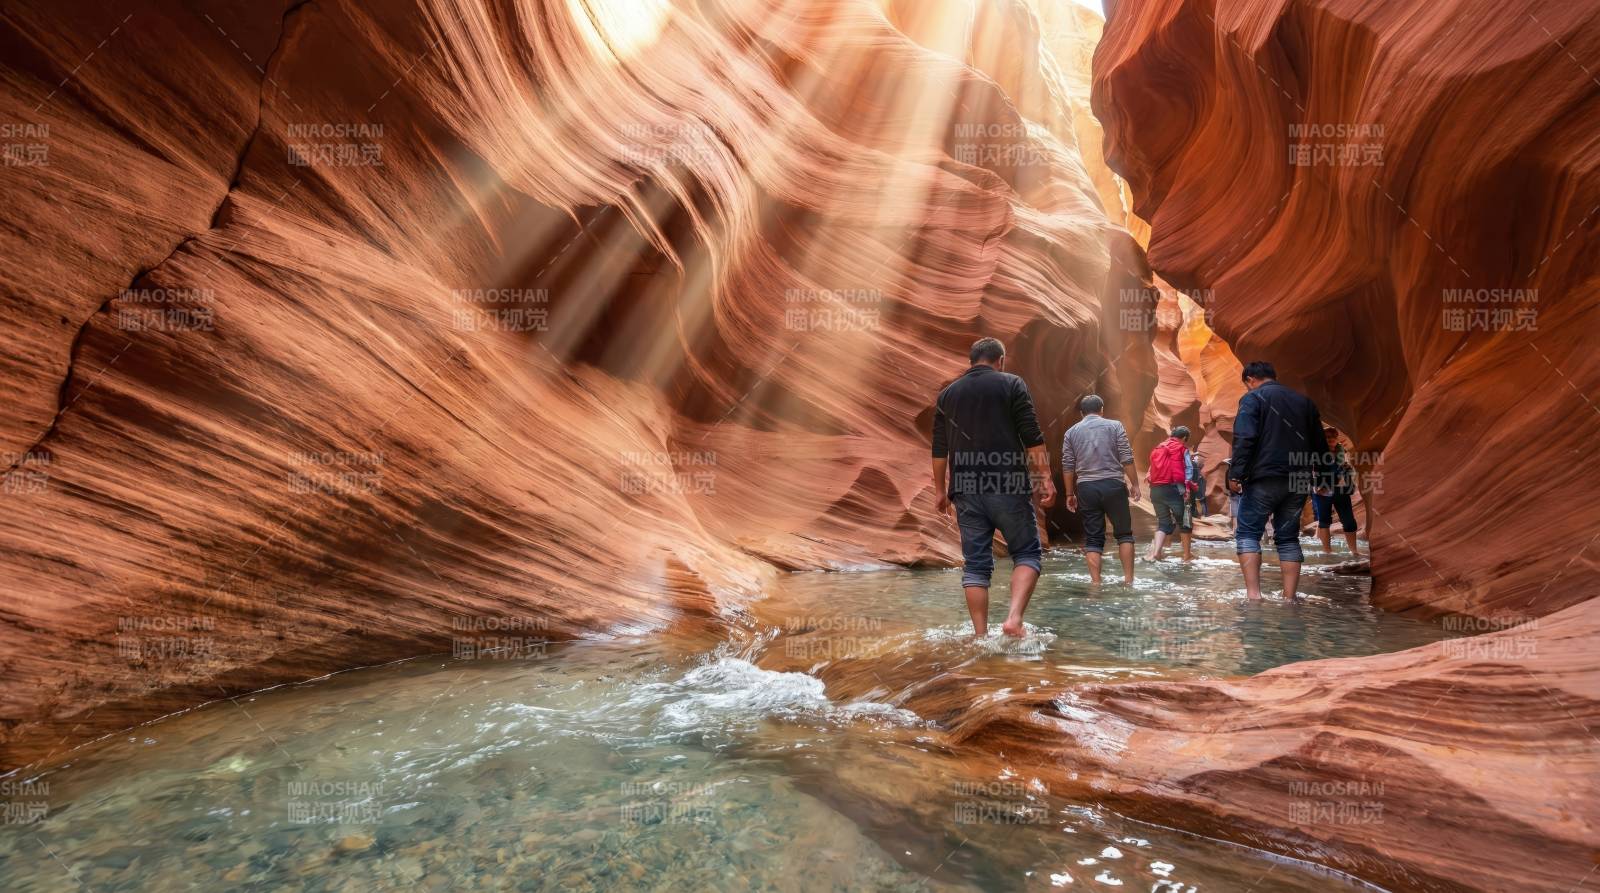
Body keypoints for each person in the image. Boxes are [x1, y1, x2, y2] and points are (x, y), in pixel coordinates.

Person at [931, 337, 1056, 637]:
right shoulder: (1012, 384)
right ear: (1001, 359)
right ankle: (1013, 619)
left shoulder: (947, 395)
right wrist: (1045, 478)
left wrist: (939, 490)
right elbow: (1032, 436)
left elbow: (939, 449)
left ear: (971, 361)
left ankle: (980, 635)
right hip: (1008, 483)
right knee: (1026, 552)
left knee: (975, 566)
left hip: (966, 488)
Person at [1226, 361, 1332, 599]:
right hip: (1298, 479)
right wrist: (1324, 476)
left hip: (1264, 477)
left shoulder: (1252, 399)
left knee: (1248, 533)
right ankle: (1289, 597)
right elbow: (1320, 444)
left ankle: (1254, 596)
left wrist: (1235, 473)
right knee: (1288, 537)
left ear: (1250, 379)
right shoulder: (1304, 402)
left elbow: (1245, 438)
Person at [1061, 395, 1141, 585]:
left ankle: (1096, 584)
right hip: (1113, 484)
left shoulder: (1071, 432)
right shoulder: (1115, 426)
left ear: (1081, 413)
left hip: (1086, 487)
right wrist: (1135, 484)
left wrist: (1069, 494)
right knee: (1124, 534)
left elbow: (1068, 465)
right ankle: (1128, 581)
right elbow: (1126, 457)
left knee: (1093, 539)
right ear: (1102, 409)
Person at [1145, 426, 1194, 561]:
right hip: (1174, 489)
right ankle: (1187, 555)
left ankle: (1156, 553)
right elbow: (1189, 470)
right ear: (1184, 438)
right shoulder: (1182, 449)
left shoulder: (1159, 447)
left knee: (1163, 523)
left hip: (1156, 489)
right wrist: (1187, 489)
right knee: (1184, 522)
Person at [1313, 425, 1361, 555]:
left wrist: (1347, 471)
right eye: (1327, 437)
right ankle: (1327, 552)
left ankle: (1354, 551)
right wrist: (1316, 487)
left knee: (1349, 521)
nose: (1330, 439)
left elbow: (1350, 470)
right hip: (1323, 491)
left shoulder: (1342, 452)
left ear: (1336, 439)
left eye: (1333, 437)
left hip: (1341, 490)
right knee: (1324, 521)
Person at [1183, 445, 1205, 560]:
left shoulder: (1187, 463)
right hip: (1191, 488)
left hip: (1182, 489)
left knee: (1188, 509)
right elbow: (1194, 478)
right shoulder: (1194, 465)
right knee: (1190, 509)